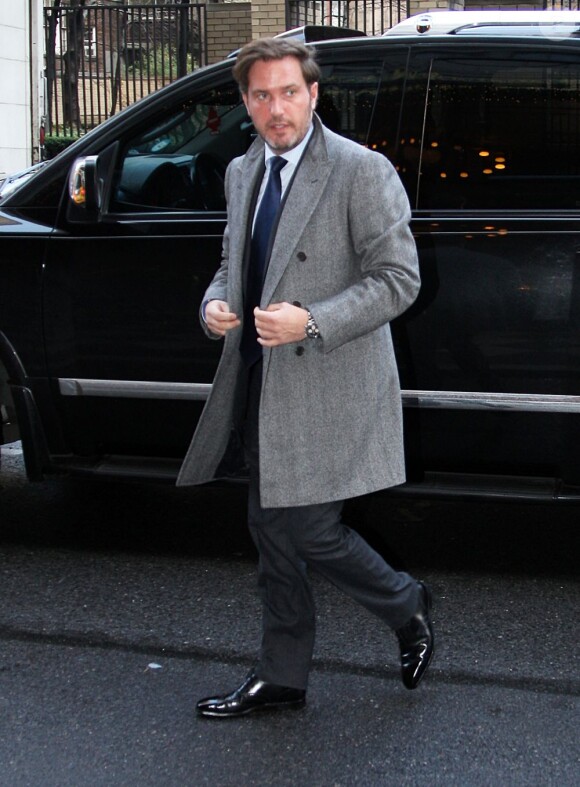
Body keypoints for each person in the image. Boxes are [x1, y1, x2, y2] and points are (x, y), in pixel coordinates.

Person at [177, 37, 434, 718]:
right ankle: (282, 673)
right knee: (270, 531)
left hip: (331, 381)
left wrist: (312, 319)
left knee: (312, 531)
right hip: (262, 382)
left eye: (289, 91)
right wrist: (213, 304)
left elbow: (400, 280)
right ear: (246, 102)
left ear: (313, 94)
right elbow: (232, 262)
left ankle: (406, 602)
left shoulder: (359, 170)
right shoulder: (243, 170)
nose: (276, 107)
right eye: (261, 94)